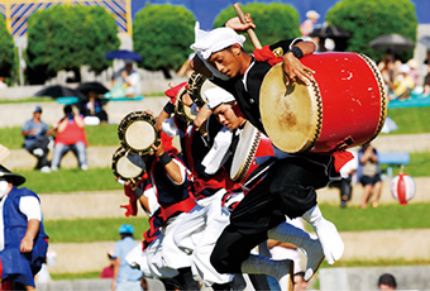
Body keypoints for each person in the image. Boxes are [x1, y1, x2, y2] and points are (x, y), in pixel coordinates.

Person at [191, 15, 345, 289]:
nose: (218, 67)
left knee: (282, 184)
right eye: (215, 63)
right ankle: (307, 249)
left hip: (312, 153)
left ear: (236, 49)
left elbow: (308, 44)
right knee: (221, 255)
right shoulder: (231, 82)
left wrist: (290, 55)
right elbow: (196, 64)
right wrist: (227, 30)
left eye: (221, 60)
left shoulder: (268, 61)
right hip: (283, 160)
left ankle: (322, 226)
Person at [0, 164, 49, 291]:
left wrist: (29, 237)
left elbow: (34, 216)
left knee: (12, 253)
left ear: (9, 183)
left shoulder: (23, 195)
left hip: (28, 247)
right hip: (7, 256)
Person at [51, 105, 88, 171]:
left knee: (81, 147)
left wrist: (74, 115)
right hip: (63, 142)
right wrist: (66, 118)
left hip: (77, 141)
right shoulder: (62, 120)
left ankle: (83, 165)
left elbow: (82, 125)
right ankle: (54, 165)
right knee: (58, 148)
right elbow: (60, 129)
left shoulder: (78, 118)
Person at [21, 106, 55, 173]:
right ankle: (44, 166)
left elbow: (48, 132)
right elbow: (23, 132)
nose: (38, 114)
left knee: (47, 139)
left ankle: (43, 165)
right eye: (36, 112)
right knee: (44, 149)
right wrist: (30, 131)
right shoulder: (28, 123)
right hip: (31, 143)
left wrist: (54, 129)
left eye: (39, 112)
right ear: (33, 113)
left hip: (40, 143)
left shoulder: (43, 124)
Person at [111, 224, 143, 291]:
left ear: (121, 234)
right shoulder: (137, 245)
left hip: (123, 281)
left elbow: (117, 263)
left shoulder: (119, 244)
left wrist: (114, 282)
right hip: (136, 282)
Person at [357, 143, 383, 209]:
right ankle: (363, 203)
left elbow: (376, 160)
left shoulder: (374, 151)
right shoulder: (360, 151)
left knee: (379, 184)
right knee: (368, 186)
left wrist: (372, 155)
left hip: (374, 172)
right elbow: (362, 160)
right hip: (364, 174)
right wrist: (366, 154)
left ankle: (374, 200)